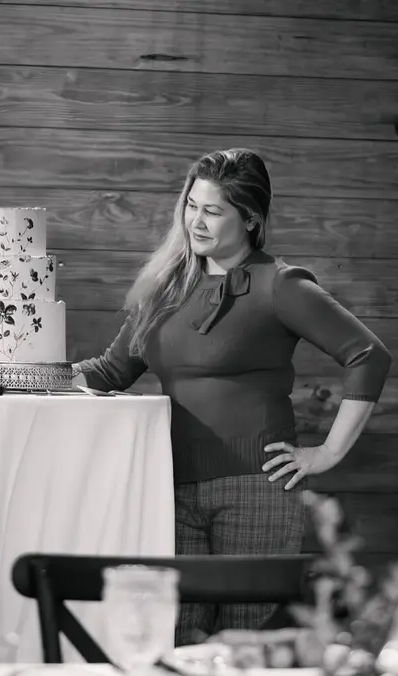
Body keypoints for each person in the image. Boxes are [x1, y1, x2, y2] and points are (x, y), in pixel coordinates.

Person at [72, 148, 391, 645]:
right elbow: (111, 371)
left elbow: (369, 356)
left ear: (250, 219)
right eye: (191, 205)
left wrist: (327, 453)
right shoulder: (166, 288)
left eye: (213, 211)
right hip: (170, 490)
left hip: (255, 492)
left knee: (245, 646)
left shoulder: (280, 285)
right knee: (177, 645)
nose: (195, 222)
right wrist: (22, 373)